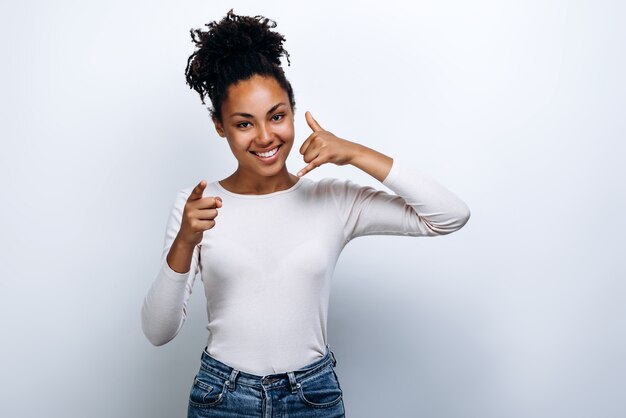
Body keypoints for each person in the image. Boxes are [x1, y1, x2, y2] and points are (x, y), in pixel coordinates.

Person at [141, 9, 471, 418]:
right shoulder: (198, 207)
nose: (265, 137)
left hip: (311, 397)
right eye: (244, 123)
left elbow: (449, 215)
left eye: (277, 116)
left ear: (292, 112)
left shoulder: (332, 200)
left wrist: (354, 154)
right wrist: (185, 241)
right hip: (222, 398)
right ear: (219, 126)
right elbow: (158, 332)